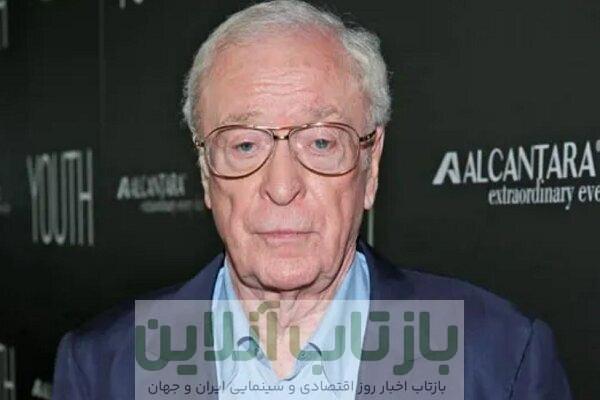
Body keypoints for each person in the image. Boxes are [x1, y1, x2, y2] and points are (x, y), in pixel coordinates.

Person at [52, 1, 571, 399]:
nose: (282, 186)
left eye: (321, 142)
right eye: (244, 144)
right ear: (206, 173)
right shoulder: (107, 368)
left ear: (370, 164)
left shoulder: (498, 360)